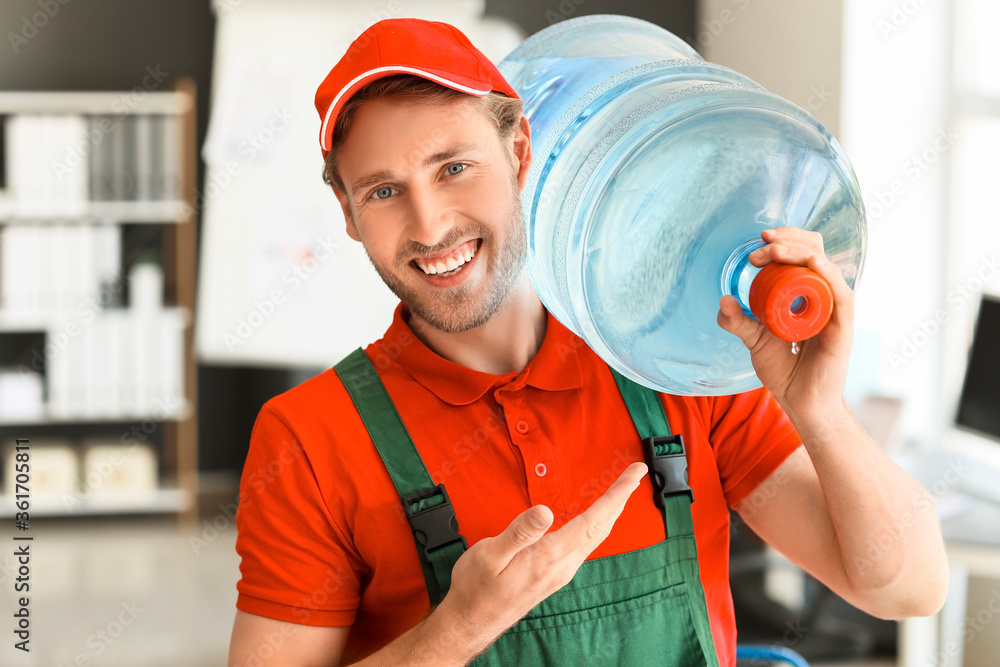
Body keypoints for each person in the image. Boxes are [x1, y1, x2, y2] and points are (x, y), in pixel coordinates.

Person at [227, 17, 949, 667]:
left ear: (519, 151)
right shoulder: (309, 441)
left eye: (454, 167)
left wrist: (818, 408)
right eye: (383, 191)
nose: (429, 224)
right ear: (348, 214)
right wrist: (453, 631)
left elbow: (910, 586)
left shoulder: (668, 362)